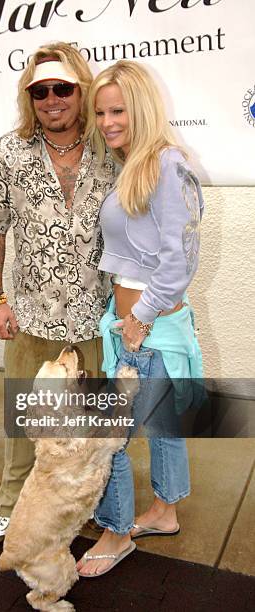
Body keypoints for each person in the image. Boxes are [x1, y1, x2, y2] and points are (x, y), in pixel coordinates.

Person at [0, 42, 116, 548]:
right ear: (29, 97)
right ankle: (9, 507)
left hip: (97, 319)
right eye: (41, 91)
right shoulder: (8, 153)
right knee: (22, 424)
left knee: (93, 425)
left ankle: (90, 507)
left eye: (63, 88)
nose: (52, 99)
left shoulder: (110, 150)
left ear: (81, 89)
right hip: (30, 318)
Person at [76, 60, 204, 577]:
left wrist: (139, 319)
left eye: (118, 110)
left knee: (109, 437)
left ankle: (114, 530)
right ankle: (165, 512)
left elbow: (180, 261)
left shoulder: (165, 165)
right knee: (162, 427)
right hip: (142, 328)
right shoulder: (136, 164)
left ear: (142, 107)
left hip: (147, 332)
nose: (107, 122)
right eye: (101, 112)